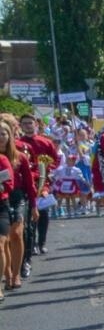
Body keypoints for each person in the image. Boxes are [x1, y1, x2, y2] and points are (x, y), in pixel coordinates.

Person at [0, 116, 35, 289]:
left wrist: (34, 206)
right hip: (2, 198)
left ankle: (16, 274)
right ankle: (7, 274)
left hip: (18, 197)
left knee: (16, 234)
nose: (1, 137)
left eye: (4, 134)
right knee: (4, 239)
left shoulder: (20, 156)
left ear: (10, 135)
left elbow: (30, 183)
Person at [17, 113, 57, 260]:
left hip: (43, 183)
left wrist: (48, 169)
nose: (28, 126)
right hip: (26, 183)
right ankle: (31, 243)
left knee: (43, 213)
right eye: (25, 123)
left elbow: (55, 160)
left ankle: (42, 242)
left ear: (36, 125)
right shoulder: (18, 143)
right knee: (29, 215)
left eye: (30, 123)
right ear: (20, 126)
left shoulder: (46, 142)